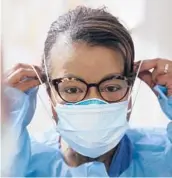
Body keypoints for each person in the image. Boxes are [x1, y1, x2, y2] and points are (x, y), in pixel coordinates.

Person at [3, 6, 172, 177]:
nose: (94, 103)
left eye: (111, 87)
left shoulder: (164, 160)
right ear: (50, 94)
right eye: (72, 89)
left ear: (129, 90)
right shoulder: (21, 166)